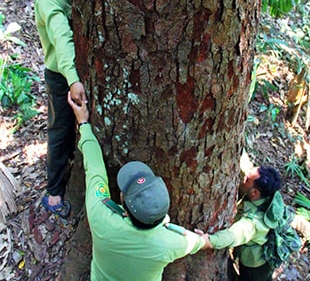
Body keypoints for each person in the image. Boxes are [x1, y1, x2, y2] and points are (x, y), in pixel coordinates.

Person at [66, 93, 210, 280]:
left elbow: (94, 169)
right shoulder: (171, 243)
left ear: (124, 206)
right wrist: (206, 241)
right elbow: (198, 242)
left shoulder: (100, 216)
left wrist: (84, 123)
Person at [34, 0, 86, 218]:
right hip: (60, 76)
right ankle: (53, 193)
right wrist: (73, 79)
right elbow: (62, 39)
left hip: (73, 73)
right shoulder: (49, 0)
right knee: (60, 132)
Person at [203, 166, 286, 281]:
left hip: (255, 266)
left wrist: (207, 241)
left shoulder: (255, 222)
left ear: (255, 192)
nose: (243, 179)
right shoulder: (265, 194)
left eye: (247, 180)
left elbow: (233, 236)